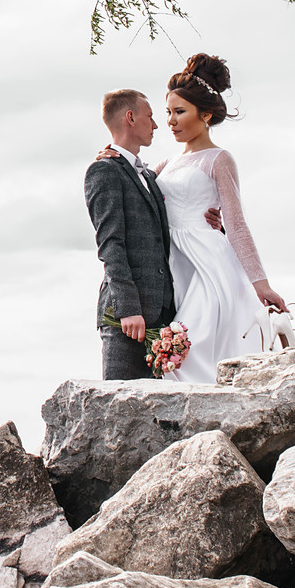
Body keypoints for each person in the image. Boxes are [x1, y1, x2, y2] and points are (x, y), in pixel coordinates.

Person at [148, 54, 292, 381]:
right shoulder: (164, 164)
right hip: (172, 262)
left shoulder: (219, 160)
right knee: (173, 350)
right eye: (168, 112)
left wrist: (262, 284)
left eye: (180, 112)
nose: (171, 120)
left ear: (206, 114)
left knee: (184, 347)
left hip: (207, 264)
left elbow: (237, 223)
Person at [84, 88, 175, 379]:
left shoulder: (148, 176)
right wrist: (128, 309)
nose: (157, 125)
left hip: (162, 317)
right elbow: (111, 243)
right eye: (151, 117)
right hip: (126, 318)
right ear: (130, 118)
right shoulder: (104, 171)